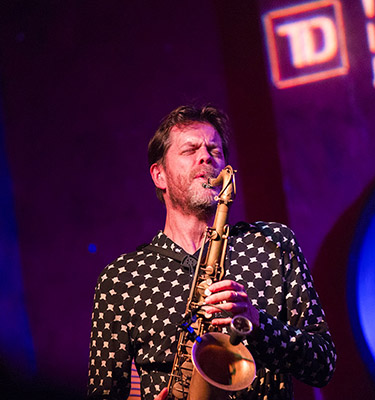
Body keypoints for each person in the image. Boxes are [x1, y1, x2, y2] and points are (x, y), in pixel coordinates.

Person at [87, 105, 336, 400]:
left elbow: (323, 364)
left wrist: (258, 325)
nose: (205, 156)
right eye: (190, 150)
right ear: (159, 176)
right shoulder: (121, 279)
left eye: (215, 151)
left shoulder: (272, 243)